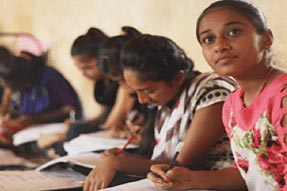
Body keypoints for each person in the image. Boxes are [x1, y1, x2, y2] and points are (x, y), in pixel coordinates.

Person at [148, 1, 287, 191]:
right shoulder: (232, 103)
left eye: (234, 32)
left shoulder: (283, 96)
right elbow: (252, 173)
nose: (220, 46)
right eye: (208, 39)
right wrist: (192, 179)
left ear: (266, 39)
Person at [83, 34, 236, 190]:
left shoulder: (213, 92)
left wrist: (118, 163)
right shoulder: (167, 101)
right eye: (136, 92)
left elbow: (181, 164)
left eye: (149, 91)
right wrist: (120, 161)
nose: (142, 100)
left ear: (178, 78)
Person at [0, 47, 82, 144]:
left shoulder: (51, 77)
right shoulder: (20, 85)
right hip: (32, 129)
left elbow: (70, 107)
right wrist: (12, 115)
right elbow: (19, 106)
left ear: (24, 82)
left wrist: (38, 118)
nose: (10, 91)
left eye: (12, 88)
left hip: (55, 126)